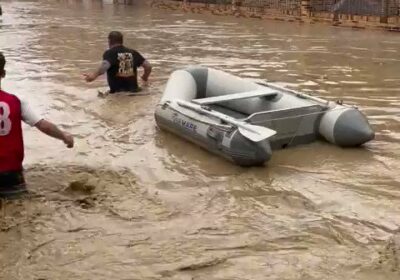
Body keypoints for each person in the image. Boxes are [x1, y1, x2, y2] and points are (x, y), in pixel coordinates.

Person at [0, 52, 74, 199]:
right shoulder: (16, 101)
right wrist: (63, 136)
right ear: (3, 73)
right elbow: (43, 125)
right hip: (11, 174)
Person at [83, 31, 152, 94]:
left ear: (109, 41)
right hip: (134, 91)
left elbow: (104, 66)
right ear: (121, 41)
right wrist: (145, 77)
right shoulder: (133, 52)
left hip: (117, 93)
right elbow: (148, 66)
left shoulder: (110, 53)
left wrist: (93, 76)